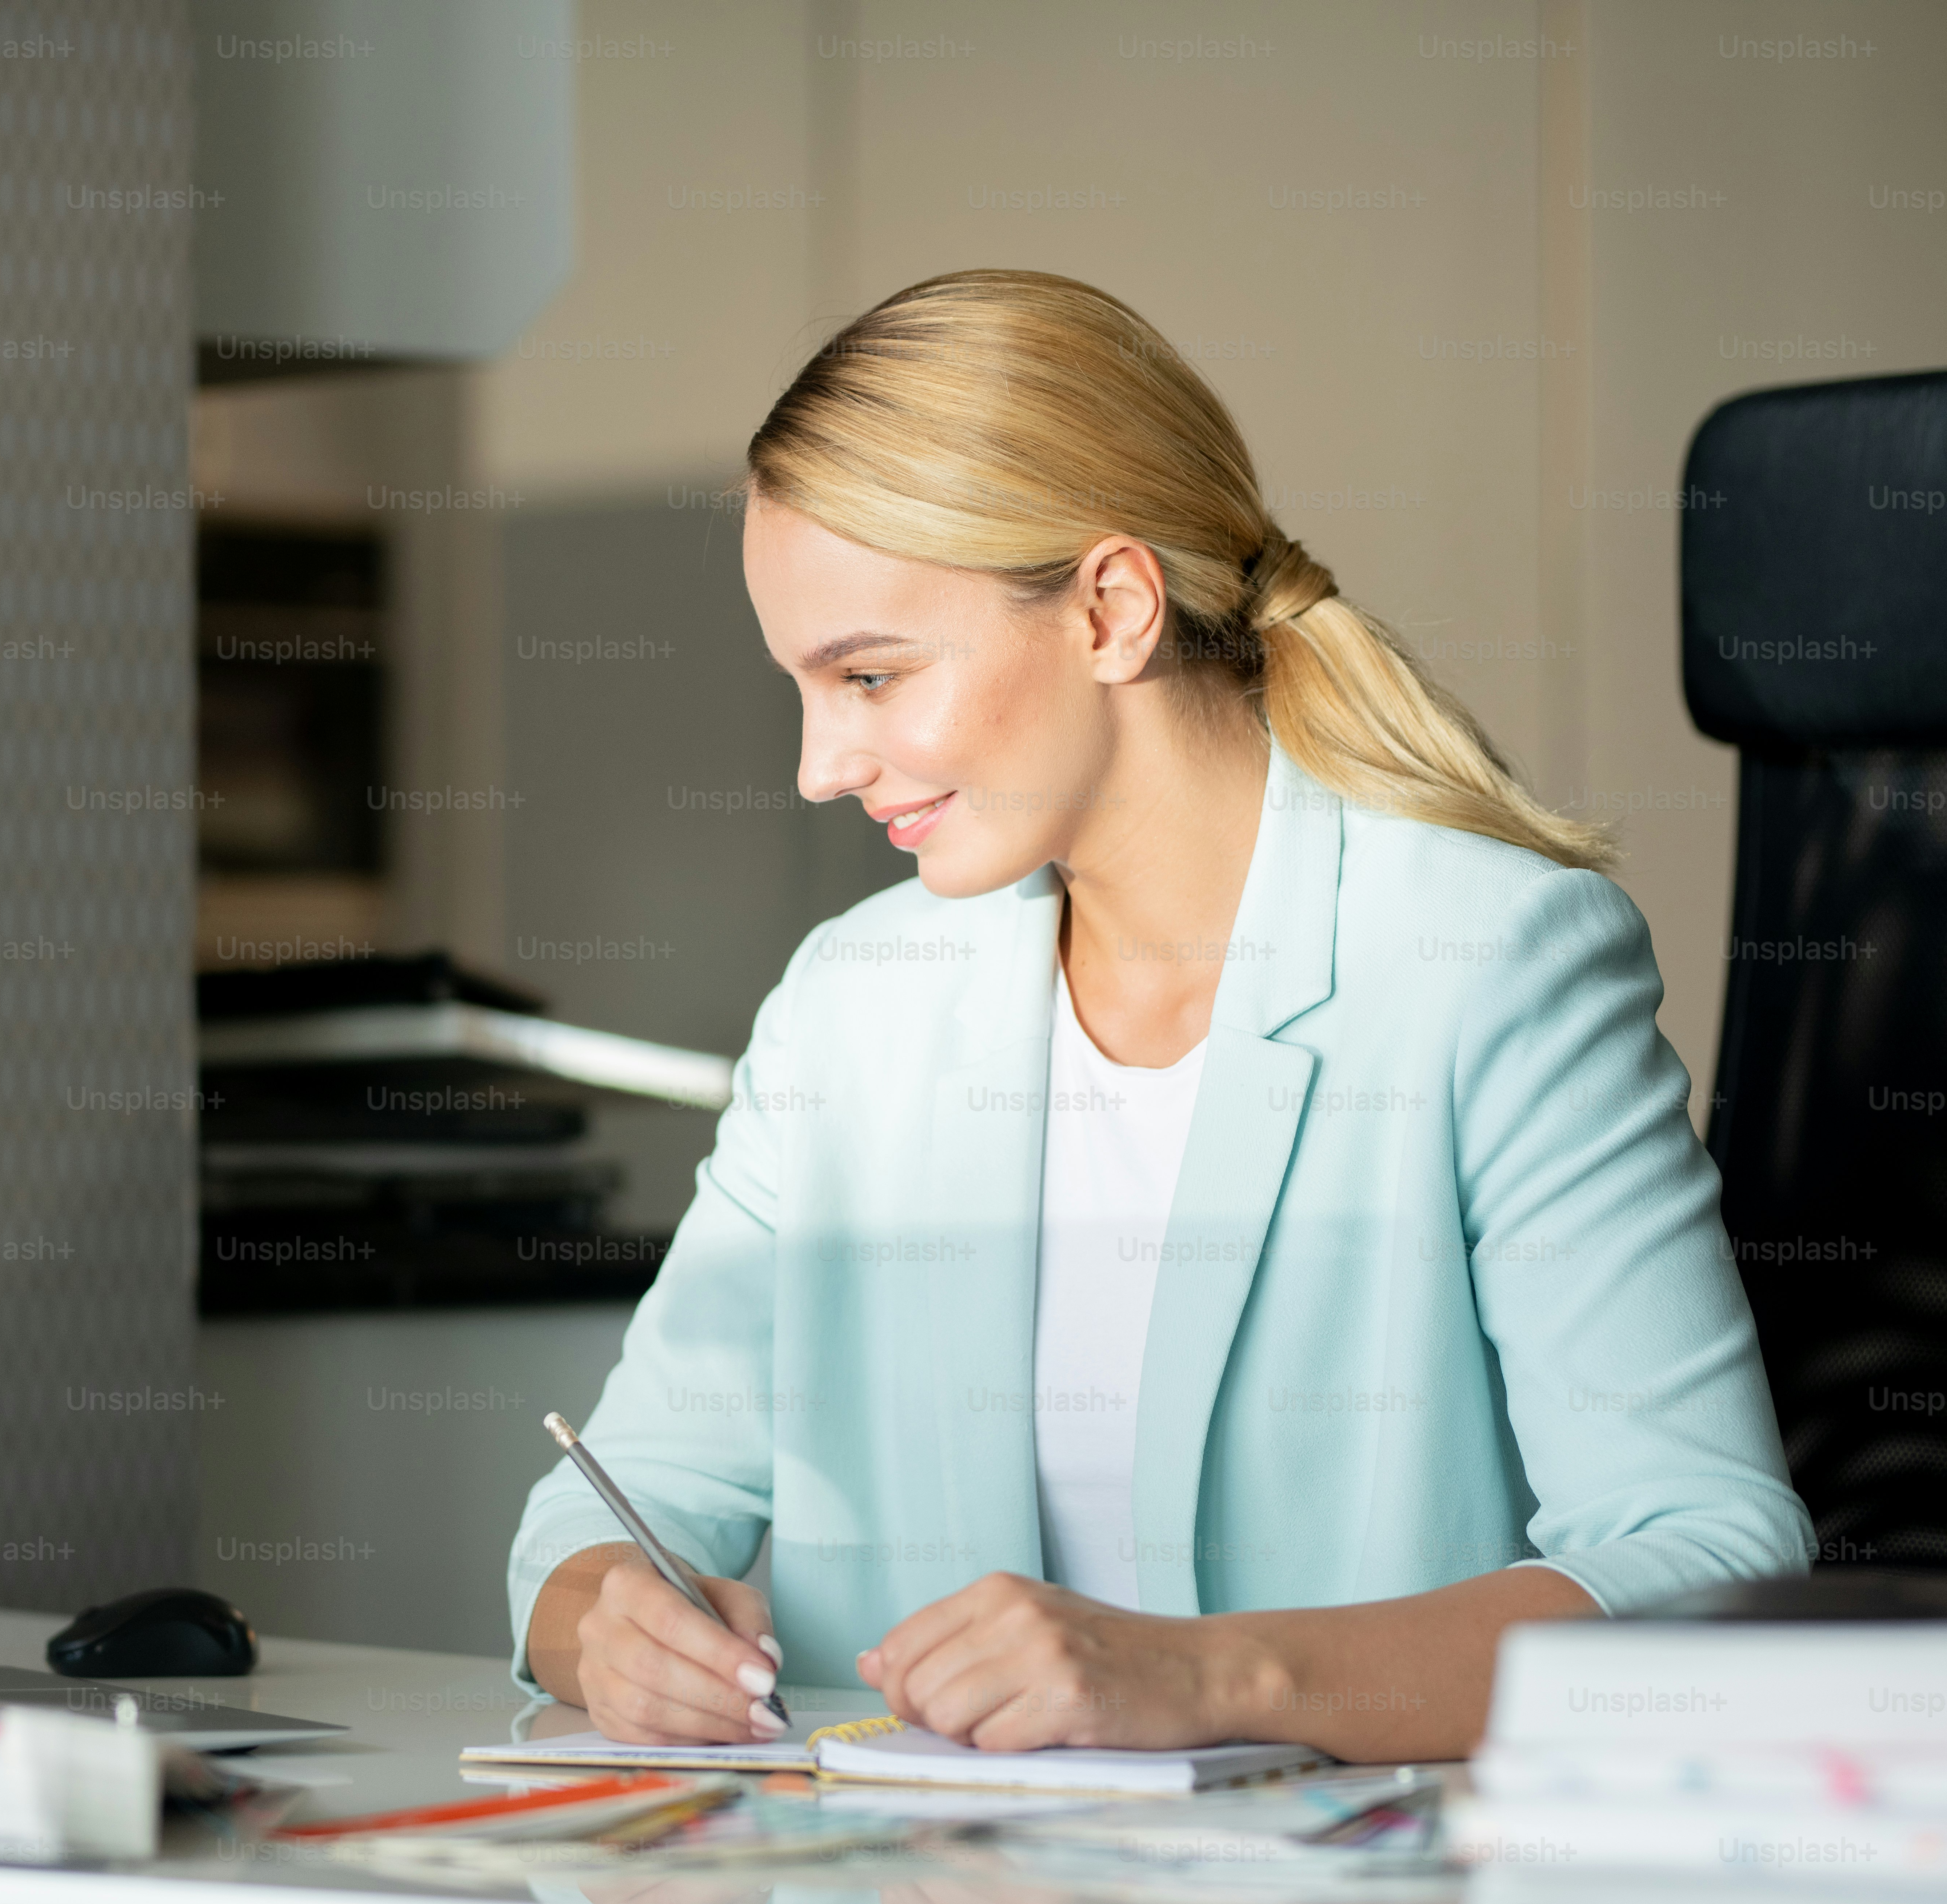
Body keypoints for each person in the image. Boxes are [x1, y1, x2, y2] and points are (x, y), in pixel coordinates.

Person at [507, 270, 1809, 1761]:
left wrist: (1213, 1678)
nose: (818, 762)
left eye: (869, 674)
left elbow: (1708, 1557)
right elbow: (601, 1509)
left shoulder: (1484, 961)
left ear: (1112, 609)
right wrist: (608, 1613)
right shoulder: (851, 1007)